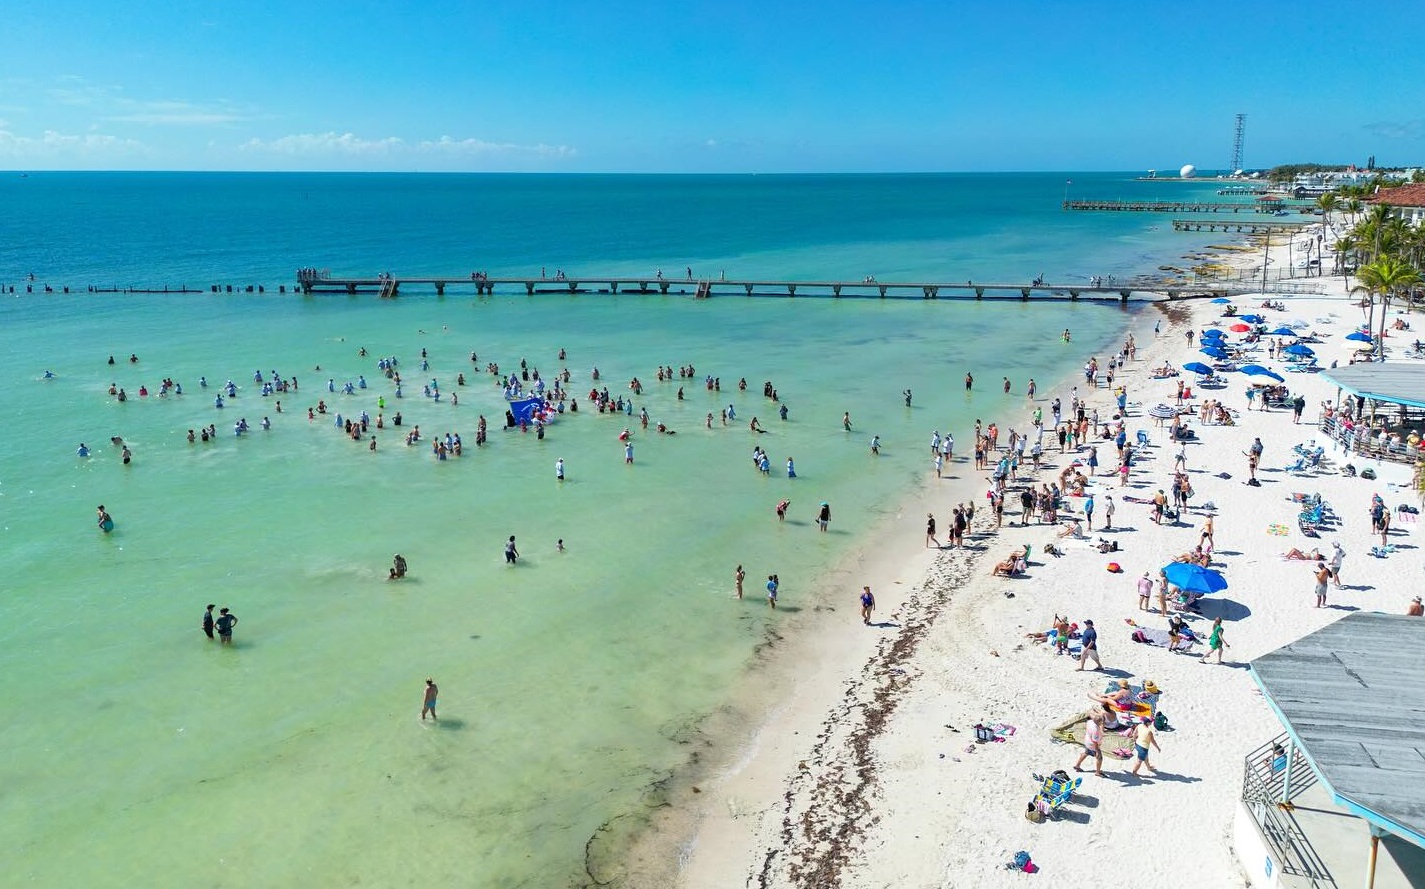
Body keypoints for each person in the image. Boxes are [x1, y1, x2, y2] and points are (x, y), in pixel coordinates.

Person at [1074, 710, 1105, 777]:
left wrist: (1096, 712)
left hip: (1087, 741)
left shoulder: (1090, 721)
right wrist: (1097, 751)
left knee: (1086, 753)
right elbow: (1095, 742)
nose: (1102, 722)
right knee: (1099, 758)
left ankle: (1077, 765)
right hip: (1092, 745)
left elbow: (1091, 714)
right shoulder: (1095, 730)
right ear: (1099, 722)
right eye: (1101, 722)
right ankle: (1098, 772)